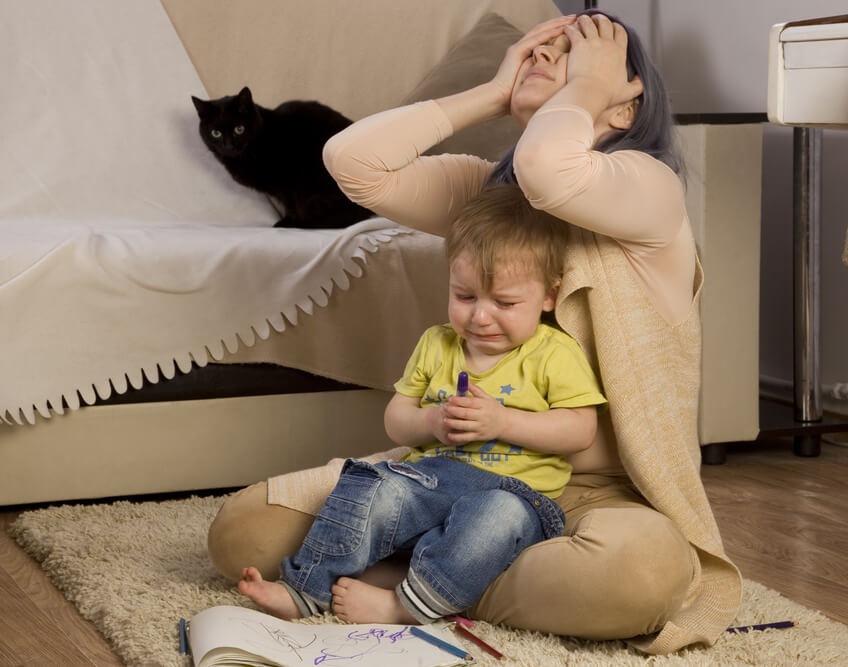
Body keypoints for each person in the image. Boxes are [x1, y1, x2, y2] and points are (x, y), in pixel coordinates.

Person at [208, 10, 742, 654]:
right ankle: (445, 574)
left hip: (597, 495)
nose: (540, 56)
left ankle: (421, 579)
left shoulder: (652, 190)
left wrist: (588, 87)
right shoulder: (491, 198)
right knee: (241, 534)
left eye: (572, 53)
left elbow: (551, 169)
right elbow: (350, 161)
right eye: (536, 50)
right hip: (453, 473)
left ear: (624, 103)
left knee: (641, 574)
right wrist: (494, 91)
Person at [238, 184, 607, 625]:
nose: (480, 316)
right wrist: (431, 421)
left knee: (495, 517)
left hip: (515, 493)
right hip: (429, 481)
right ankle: (304, 591)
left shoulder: (554, 352)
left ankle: (404, 606)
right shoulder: (437, 344)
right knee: (371, 485)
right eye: (465, 296)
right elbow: (397, 420)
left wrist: (503, 422)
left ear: (549, 296)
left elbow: (580, 430)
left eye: (505, 302)